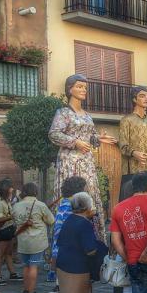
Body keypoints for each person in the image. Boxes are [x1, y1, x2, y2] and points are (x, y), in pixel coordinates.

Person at [49, 74, 117, 241]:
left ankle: (93, 239)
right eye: (79, 86)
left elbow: (91, 137)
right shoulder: (63, 112)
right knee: (72, 196)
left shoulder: (87, 115)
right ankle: (67, 240)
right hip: (69, 162)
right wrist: (75, 142)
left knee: (90, 194)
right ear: (69, 89)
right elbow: (54, 134)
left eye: (85, 87)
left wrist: (99, 138)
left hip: (87, 162)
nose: (83, 90)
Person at [56, 192, 106, 293]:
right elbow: (91, 250)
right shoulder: (84, 224)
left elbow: (60, 241)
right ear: (86, 207)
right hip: (76, 270)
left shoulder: (69, 219)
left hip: (63, 266)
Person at [12, 183, 55, 293]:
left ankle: (26, 290)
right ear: (35, 192)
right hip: (37, 241)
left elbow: (15, 220)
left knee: (26, 266)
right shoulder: (40, 205)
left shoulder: (16, 206)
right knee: (33, 266)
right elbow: (51, 220)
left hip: (23, 241)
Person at [49, 176, 87, 293]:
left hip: (59, 233)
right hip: (70, 235)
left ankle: (58, 284)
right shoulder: (76, 202)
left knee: (60, 257)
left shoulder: (64, 201)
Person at [0, 178, 22, 286]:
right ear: (6, 189)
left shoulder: (6, 200)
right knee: (0, 254)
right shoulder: (0, 202)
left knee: (8, 253)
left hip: (9, 229)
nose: (12, 189)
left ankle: (12, 273)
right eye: (11, 187)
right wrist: (11, 216)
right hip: (3, 230)